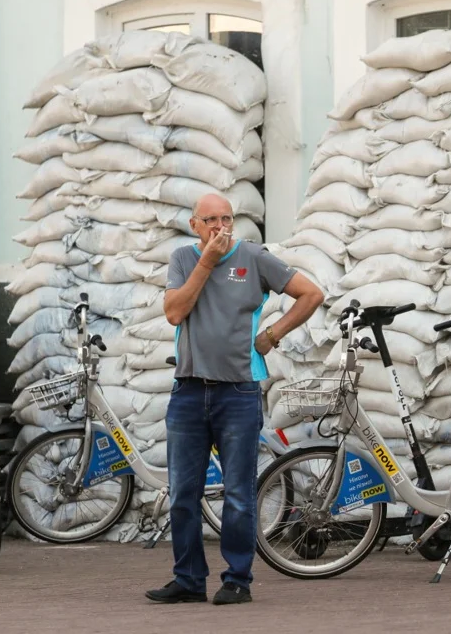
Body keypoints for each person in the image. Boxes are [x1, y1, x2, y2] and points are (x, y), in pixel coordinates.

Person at [146, 193, 324, 606]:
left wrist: (273, 335)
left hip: (239, 391)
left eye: (226, 218)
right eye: (210, 220)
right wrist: (207, 262)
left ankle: (238, 580)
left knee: (240, 494)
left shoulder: (254, 257)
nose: (219, 227)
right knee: (183, 493)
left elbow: (311, 294)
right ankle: (188, 579)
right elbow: (174, 312)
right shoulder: (183, 260)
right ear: (194, 225)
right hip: (189, 390)